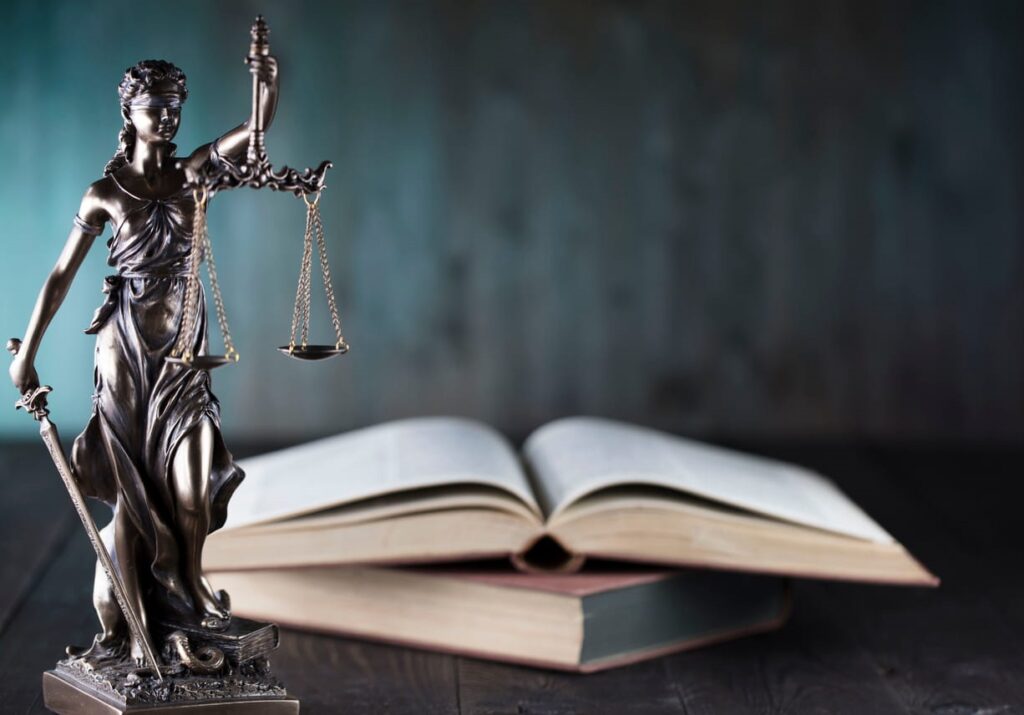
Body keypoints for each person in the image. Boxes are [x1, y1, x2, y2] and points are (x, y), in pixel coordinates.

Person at [8, 54, 278, 664]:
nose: (167, 115)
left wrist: (267, 79)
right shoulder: (105, 192)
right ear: (128, 113)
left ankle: (190, 585)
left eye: (175, 105)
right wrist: (28, 351)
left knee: (191, 491)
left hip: (184, 355)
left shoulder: (193, 174)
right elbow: (59, 274)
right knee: (135, 494)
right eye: (155, 106)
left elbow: (256, 128)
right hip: (126, 354)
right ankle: (150, 616)